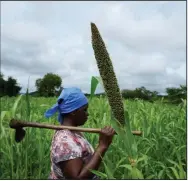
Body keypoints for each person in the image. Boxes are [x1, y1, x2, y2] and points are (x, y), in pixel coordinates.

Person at [45, 87, 115, 180]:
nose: (87, 114)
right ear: (74, 112)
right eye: (85, 110)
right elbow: (77, 178)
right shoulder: (65, 140)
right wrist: (102, 146)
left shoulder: (74, 131)